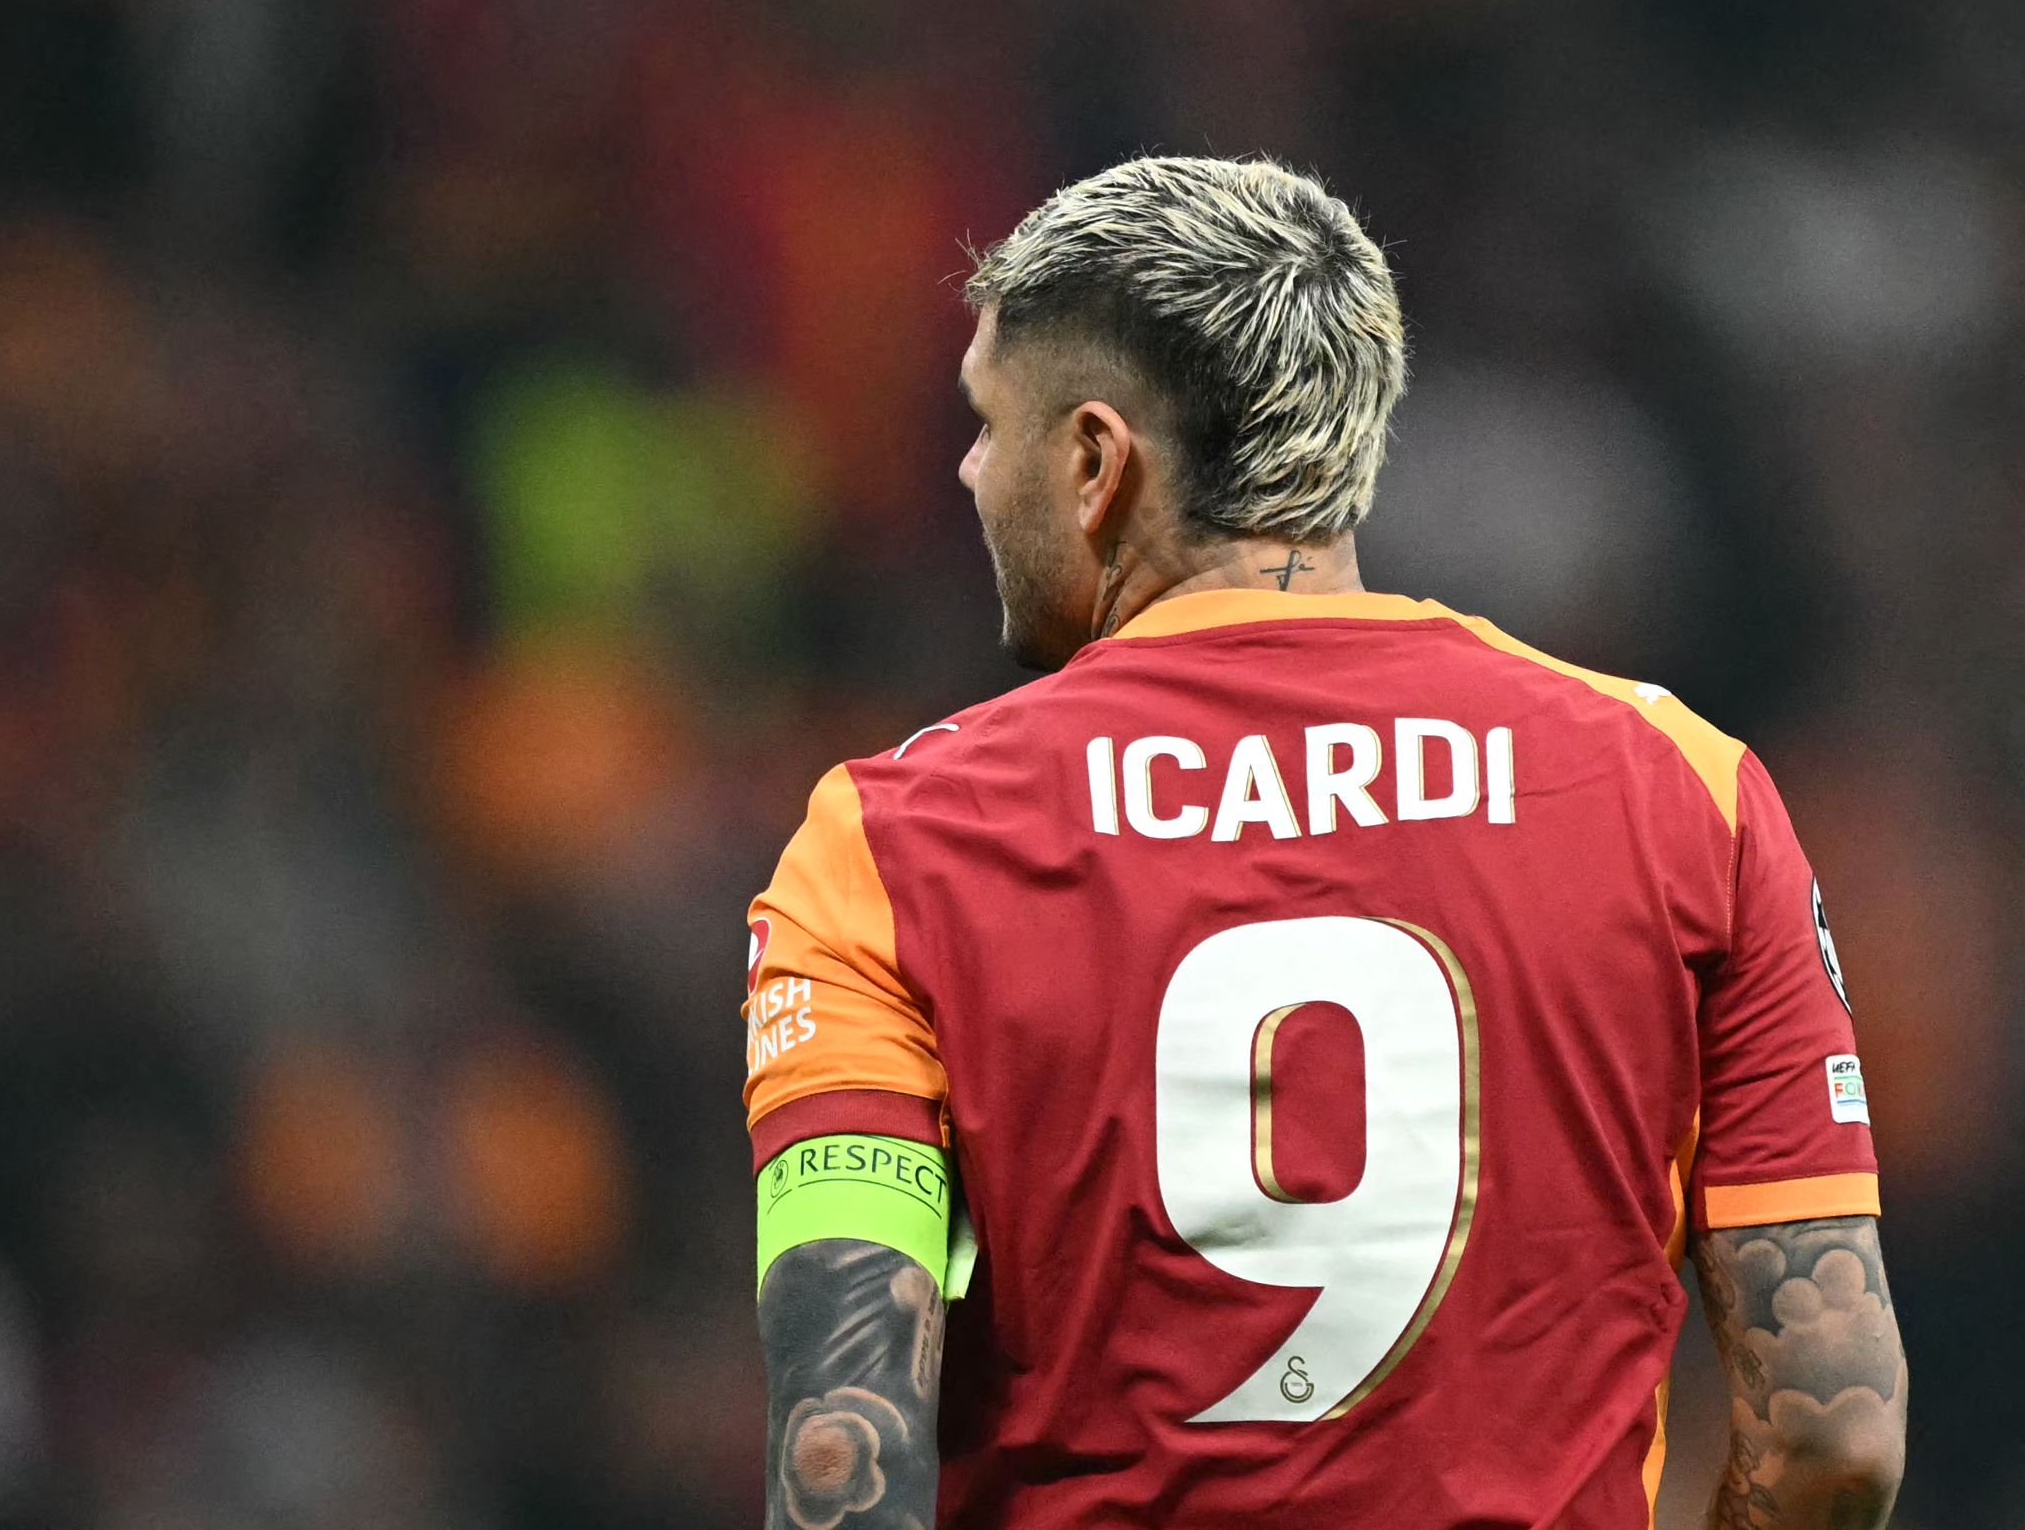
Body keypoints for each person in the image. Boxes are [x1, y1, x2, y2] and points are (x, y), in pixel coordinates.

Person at [743, 157, 1905, 1529]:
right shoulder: (1679, 791)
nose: (968, 469)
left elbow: (842, 1460)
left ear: (1095, 461)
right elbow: (1835, 1433)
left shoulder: (887, 850)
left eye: (989, 424)